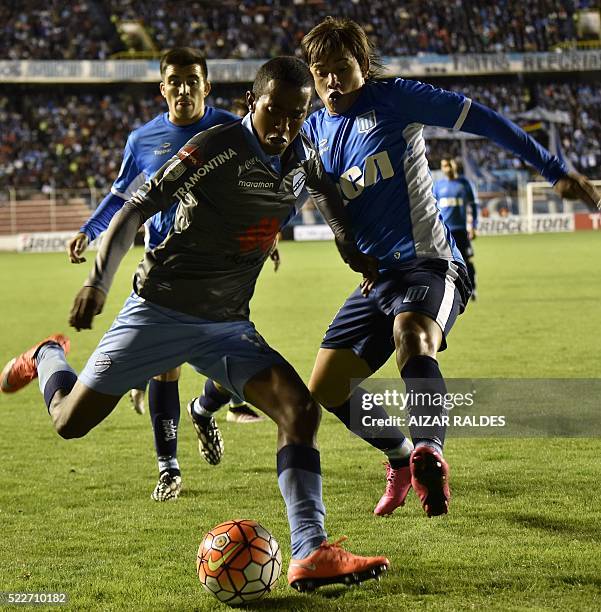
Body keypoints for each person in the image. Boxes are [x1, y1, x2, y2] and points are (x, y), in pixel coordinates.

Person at [0, 56, 388, 592]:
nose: (285, 126)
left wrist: (356, 256)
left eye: (298, 115)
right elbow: (135, 208)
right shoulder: (216, 147)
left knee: (299, 411)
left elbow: (330, 204)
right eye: (275, 111)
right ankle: (47, 356)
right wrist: (97, 281)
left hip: (228, 324)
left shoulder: (305, 155)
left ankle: (310, 549)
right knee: (70, 421)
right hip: (158, 311)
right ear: (252, 103)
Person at [297, 17, 600, 518]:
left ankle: (430, 451)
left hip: (429, 264)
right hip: (376, 279)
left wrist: (553, 170)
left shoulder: (396, 98)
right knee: (327, 386)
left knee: (412, 337)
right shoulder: (312, 130)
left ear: (363, 66)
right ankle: (399, 457)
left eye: (341, 69)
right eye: (320, 72)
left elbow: (482, 118)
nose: (331, 82)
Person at [65, 47, 254, 503]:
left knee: (237, 367)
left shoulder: (230, 128)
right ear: (163, 87)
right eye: (175, 80)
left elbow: (253, 185)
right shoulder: (142, 140)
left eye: (193, 80)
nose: (184, 88)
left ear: (206, 86)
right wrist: (90, 231)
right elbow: (119, 198)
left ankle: (204, 407)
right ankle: (168, 467)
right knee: (167, 368)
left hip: (222, 268)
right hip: (165, 268)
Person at [433, 157, 478, 299]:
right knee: (442, 262)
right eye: (444, 166)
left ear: (455, 165)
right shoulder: (438, 186)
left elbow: (474, 206)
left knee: (466, 260)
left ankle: (472, 289)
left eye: (449, 165)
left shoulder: (464, 184)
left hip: (460, 230)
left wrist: (474, 226)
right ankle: (445, 292)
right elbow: (433, 208)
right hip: (444, 231)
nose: (447, 168)